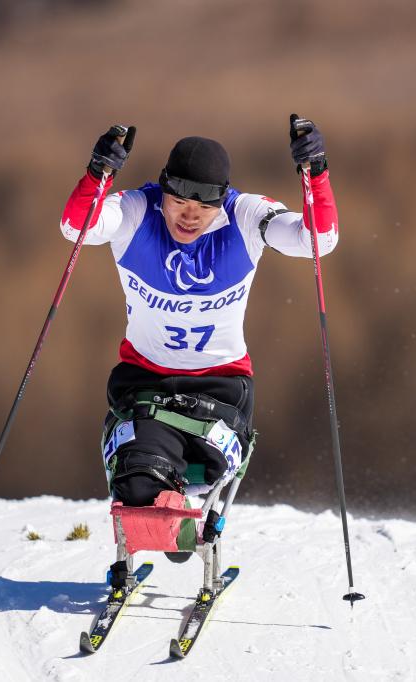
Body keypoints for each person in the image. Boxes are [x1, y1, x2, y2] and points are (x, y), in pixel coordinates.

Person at [59, 114, 340, 514]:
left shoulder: (245, 214)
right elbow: (76, 228)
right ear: (163, 191)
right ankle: (163, 511)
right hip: (145, 382)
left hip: (221, 389)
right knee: (139, 479)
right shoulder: (138, 209)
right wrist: (97, 173)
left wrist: (317, 176)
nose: (189, 217)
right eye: (178, 202)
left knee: (206, 474)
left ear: (221, 199)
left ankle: (179, 513)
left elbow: (318, 241)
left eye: (202, 207)